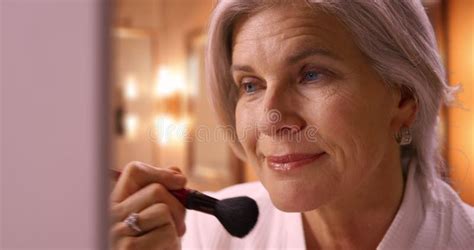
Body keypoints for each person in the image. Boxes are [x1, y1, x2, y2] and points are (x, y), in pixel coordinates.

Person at [109, 0, 474, 249]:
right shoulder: (203, 236)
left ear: (403, 98)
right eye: (250, 85)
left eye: (311, 75)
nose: (271, 119)